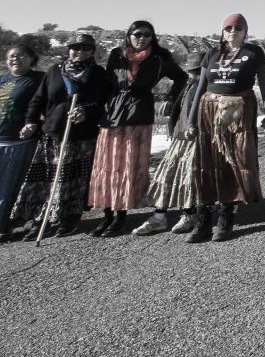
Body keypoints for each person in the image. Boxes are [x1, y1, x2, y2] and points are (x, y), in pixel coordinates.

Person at [88, 21, 187, 237]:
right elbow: (107, 84)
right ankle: (107, 215)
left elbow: (181, 77)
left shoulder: (160, 58)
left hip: (139, 114)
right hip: (112, 115)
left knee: (127, 166)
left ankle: (121, 217)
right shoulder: (117, 55)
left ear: (152, 37)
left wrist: (171, 99)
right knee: (107, 166)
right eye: (137, 34)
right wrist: (93, 106)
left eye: (147, 35)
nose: (141, 38)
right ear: (129, 35)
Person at [10, 34, 110, 240]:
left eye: (85, 48)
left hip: (80, 137)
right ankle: (41, 219)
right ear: (68, 49)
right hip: (52, 133)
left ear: (92, 51)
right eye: (75, 47)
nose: (80, 51)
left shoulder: (99, 73)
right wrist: (30, 122)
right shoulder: (55, 70)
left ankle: (68, 219)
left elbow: (102, 100)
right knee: (46, 180)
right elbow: (39, 99)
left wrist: (86, 111)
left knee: (72, 181)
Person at [185, 13, 265, 243]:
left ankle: (226, 216)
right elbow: (201, 87)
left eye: (238, 28)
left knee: (233, 162)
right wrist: (191, 120)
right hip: (209, 111)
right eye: (228, 28)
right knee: (206, 163)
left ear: (245, 31)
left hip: (238, 112)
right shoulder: (213, 53)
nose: (232, 31)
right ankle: (203, 217)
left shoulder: (253, 53)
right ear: (222, 31)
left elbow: (264, 87)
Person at [133, 51, 205, 236]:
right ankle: (159, 216)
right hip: (179, 137)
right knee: (167, 176)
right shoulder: (188, 84)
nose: (193, 74)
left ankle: (188, 214)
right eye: (192, 71)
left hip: (194, 139)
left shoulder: (204, 86)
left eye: (196, 70)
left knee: (187, 178)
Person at [0, 44, 45, 242]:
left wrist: (34, 123)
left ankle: (2, 227)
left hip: (19, 142)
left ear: (31, 58)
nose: (15, 59)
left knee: (9, 186)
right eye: (11, 56)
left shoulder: (39, 79)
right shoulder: (3, 79)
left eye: (20, 56)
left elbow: (47, 104)